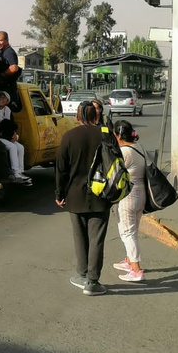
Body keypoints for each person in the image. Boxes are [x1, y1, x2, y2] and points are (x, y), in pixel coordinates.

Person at [55, 100, 115, 297]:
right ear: (96, 116)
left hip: (75, 195)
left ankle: (81, 274)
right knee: (96, 239)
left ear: (77, 117)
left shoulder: (69, 137)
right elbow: (116, 164)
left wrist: (59, 194)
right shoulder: (105, 134)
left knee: (79, 237)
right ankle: (93, 281)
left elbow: (61, 169)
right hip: (102, 195)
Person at [112, 119, 146, 283]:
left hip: (128, 196)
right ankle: (128, 261)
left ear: (118, 135)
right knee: (133, 230)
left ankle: (136, 269)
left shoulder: (124, 152)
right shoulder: (138, 147)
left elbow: (114, 174)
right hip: (141, 194)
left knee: (127, 233)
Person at [0, 90, 32, 185]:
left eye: (3, 98)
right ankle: (15, 172)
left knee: (20, 147)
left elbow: (7, 125)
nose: (1, 99)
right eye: (0, 97)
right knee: (12, 147)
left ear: (7, 101)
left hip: (4, 135)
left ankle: (20, 171)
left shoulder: (7, 110)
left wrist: (13, 135)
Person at [0, 31, 21, 106]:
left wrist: (2, 75)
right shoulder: (0, 52)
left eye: (0, 40)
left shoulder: (9, 52)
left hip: (7, 89)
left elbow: (14, 68)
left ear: (7, 41)